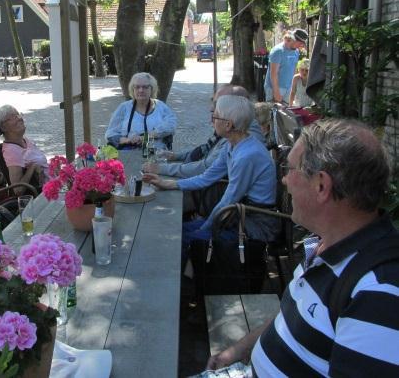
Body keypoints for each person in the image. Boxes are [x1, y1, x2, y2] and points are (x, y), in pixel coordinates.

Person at [205, 118, 399, 376]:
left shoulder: (379, 292)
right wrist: (239, 350)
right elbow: (294, 315)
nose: (284, 180)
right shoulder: (327, 246)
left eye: (290, 168)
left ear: (321, 185)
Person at [143, 95, 279, 245]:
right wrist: (168, 184)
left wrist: (203, 228)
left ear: (228, 125)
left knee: (181, 239)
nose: (211, 120)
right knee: (176, 232)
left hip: (254, 225)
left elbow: (228, 201)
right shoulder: (232, 144)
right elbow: (206, 176)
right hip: (240, 216)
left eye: (215, 117)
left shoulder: (246, 156)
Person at [142, 84, 264, 178]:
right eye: (213, 102)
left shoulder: (239, 135)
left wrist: (161, 169)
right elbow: (207, 149)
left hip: (212, 191)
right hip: (204, 182)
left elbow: (205, 168)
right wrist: (176, 156)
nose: (211, 108)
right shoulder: (235, 125)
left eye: (217, 104)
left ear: (236, 104)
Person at [105, 72, 177, 150]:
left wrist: (144, 137)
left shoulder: (161, 107)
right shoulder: (124, 107)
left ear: (152, 89)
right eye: (137, 87)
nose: (141, 90)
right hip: (129, 152)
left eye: (145, 87)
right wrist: (128, 140)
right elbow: (110, 134)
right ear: (133, 89)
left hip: (157, 154)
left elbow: (171, 126)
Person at [0, 105, 48, 190]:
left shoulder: (25, 140)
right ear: (3, 127)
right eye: (13, 117)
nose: (19, 118)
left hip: (55, 185)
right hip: (45, 195)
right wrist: (32, 167)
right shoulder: (11, 151)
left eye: (18, 115)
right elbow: (18, 189)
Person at [264, 29, 307, 103]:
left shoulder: (296, 51)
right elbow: (273, 74)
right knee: (274, 113)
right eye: (300, 43)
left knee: (287, 112)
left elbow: (293, 69)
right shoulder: (278, 51)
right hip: (275, 88)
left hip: (288, 88)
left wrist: (294, 87)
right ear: (293, 39)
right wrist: (276, 93)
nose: (302, 46)